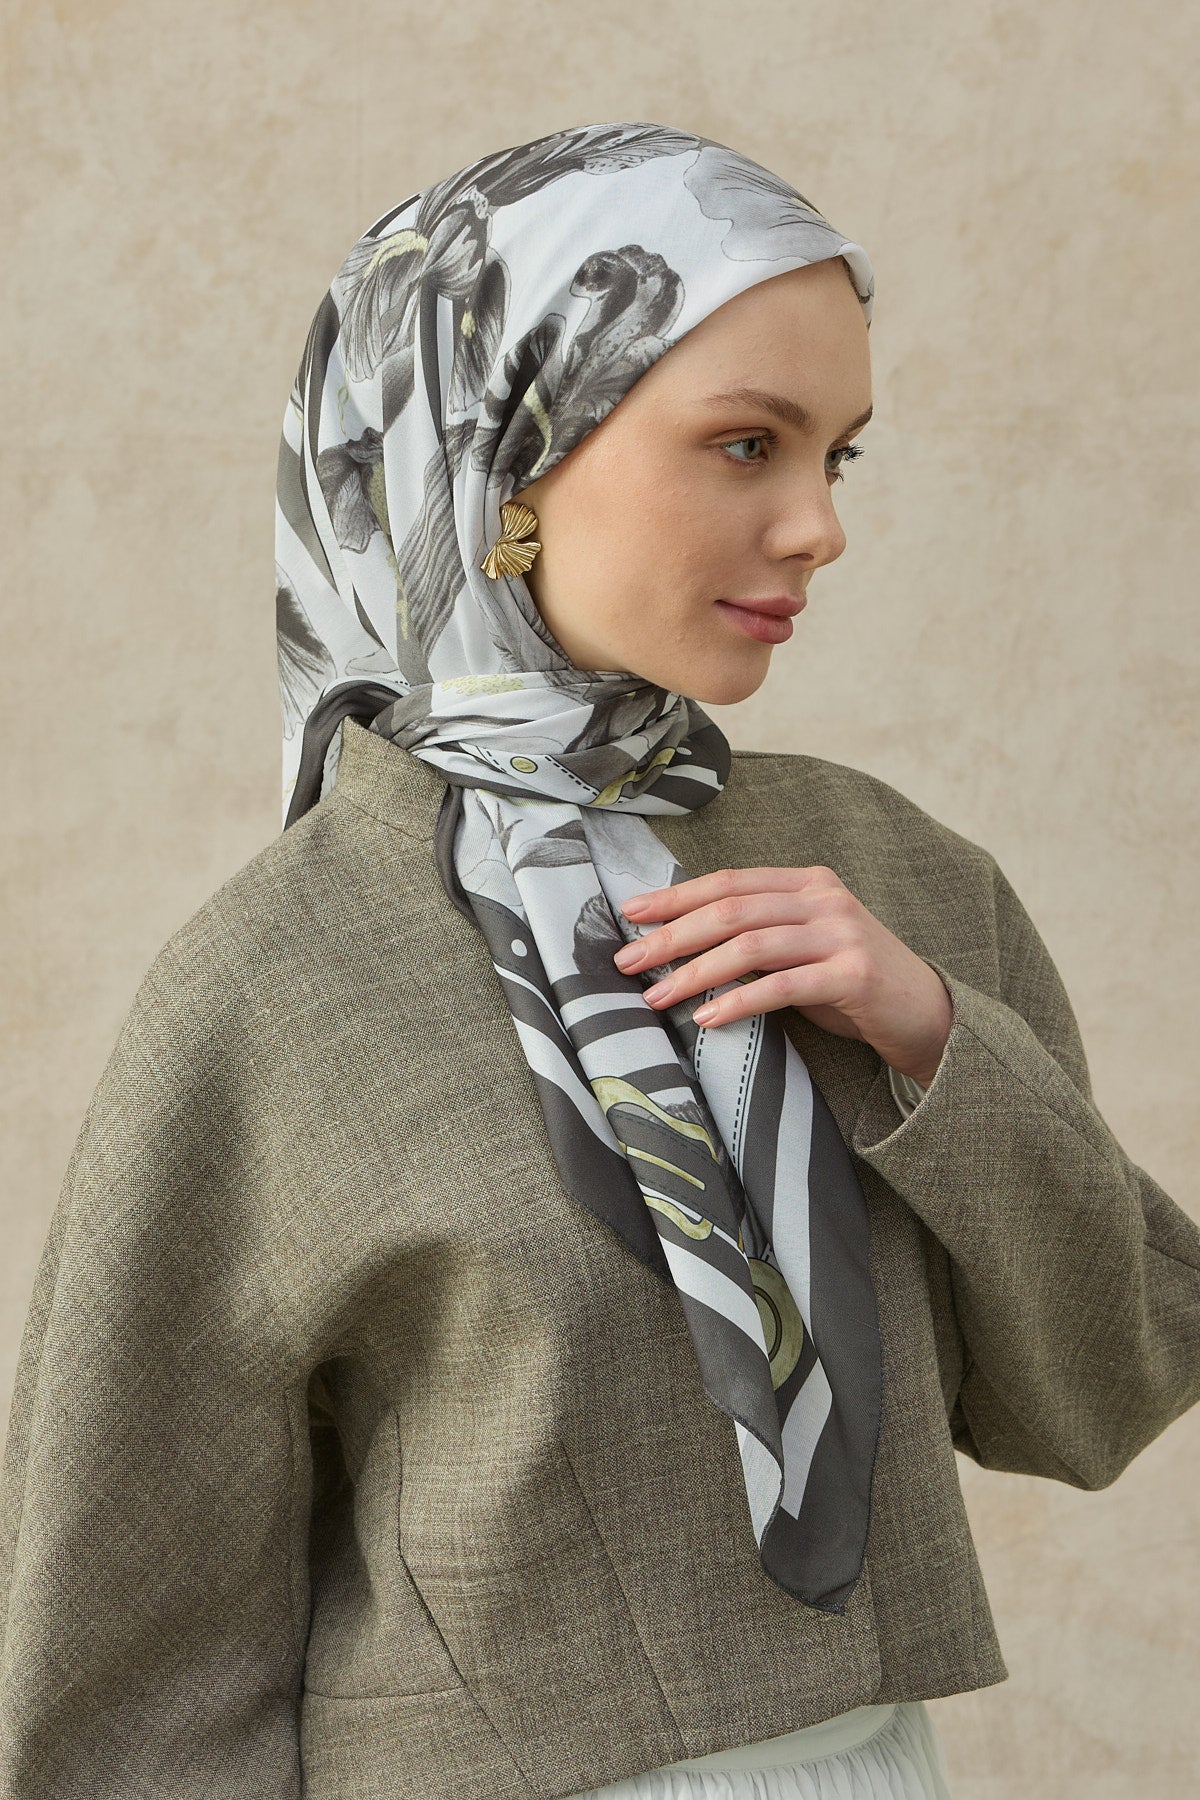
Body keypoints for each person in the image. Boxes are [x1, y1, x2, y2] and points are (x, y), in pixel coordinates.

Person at [1, 121, 1197, 1800]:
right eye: (746, 444)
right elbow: (125, 1640)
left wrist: (932, 1041)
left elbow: (1102, 1394)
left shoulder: (898, 878)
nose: (818, 527)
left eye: (839, 456)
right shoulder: (275, 985)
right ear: (505, 457)